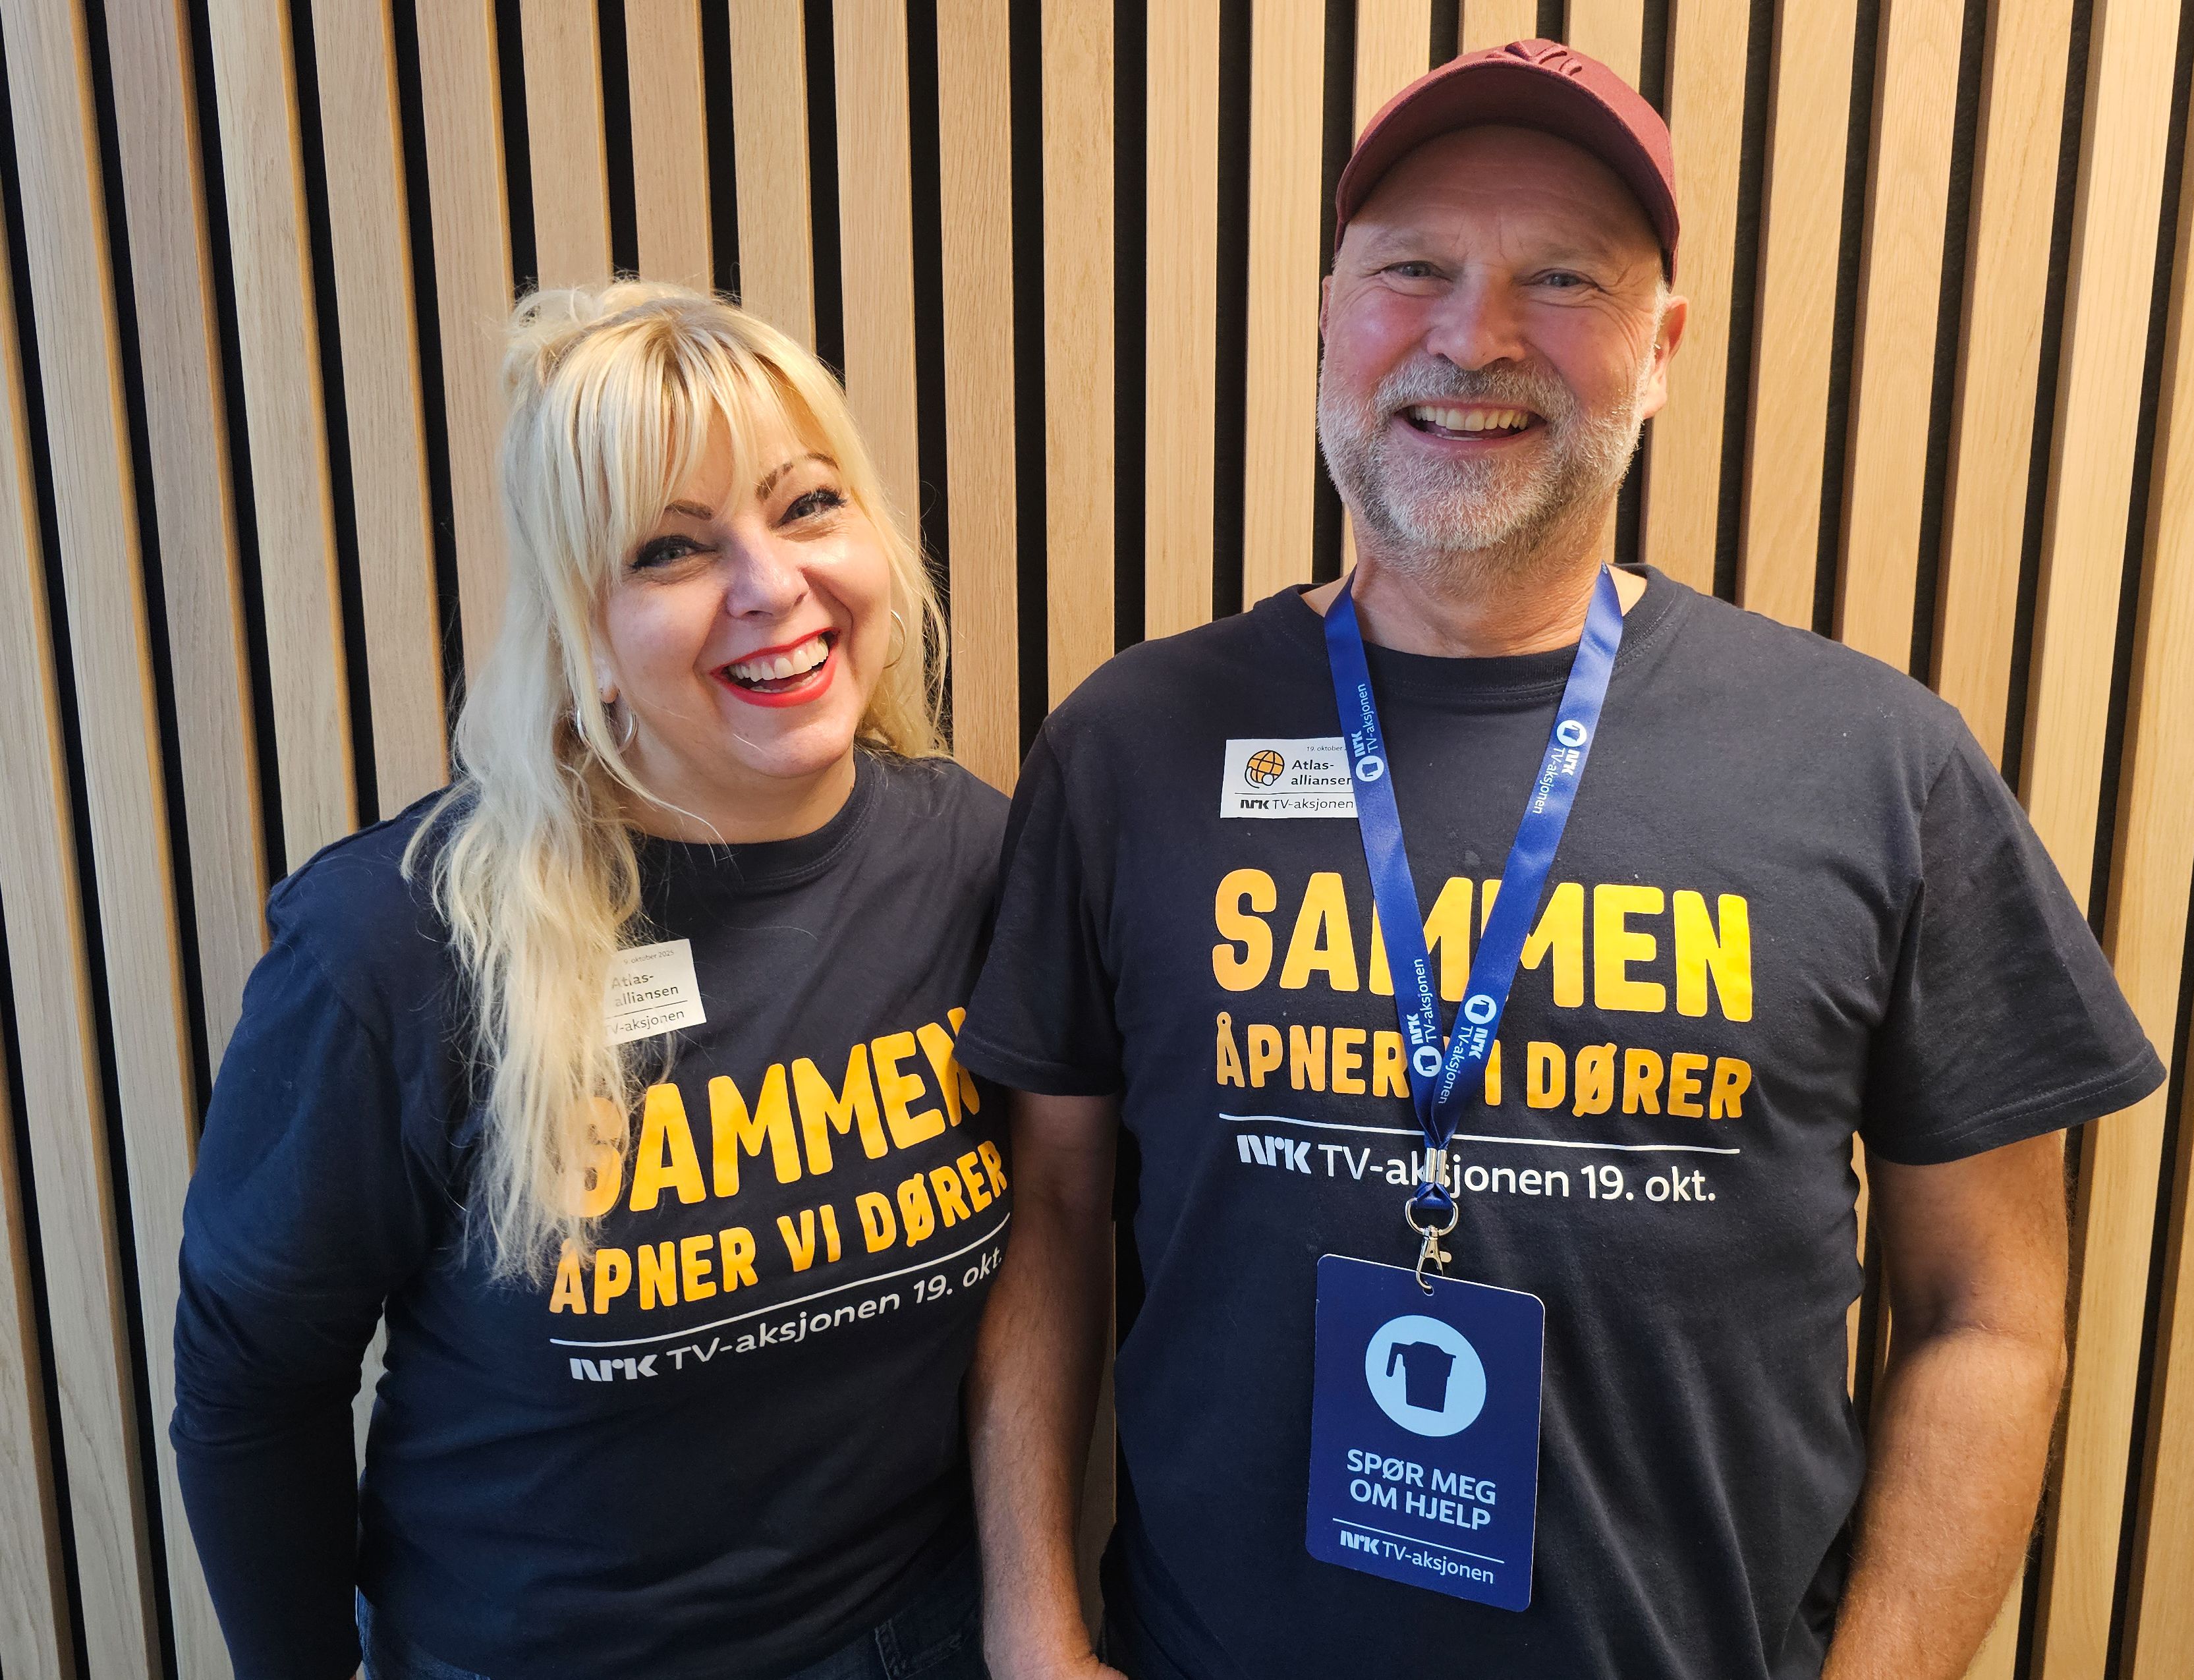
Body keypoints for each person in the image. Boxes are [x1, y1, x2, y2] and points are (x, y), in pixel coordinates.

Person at [957, 40, 2161, 1680]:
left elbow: (1991, 1309)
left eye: (1564, 278)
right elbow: (1052, 1213)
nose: (1475, 336)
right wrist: (1035, 1638)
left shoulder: (1876, 760)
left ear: (1661, 350)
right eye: (1413, 270)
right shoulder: (1130, 743)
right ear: (1328, 318)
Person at [173, 283, 1007, 1680]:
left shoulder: (974, 855)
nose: (769, 586)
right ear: (584, 632)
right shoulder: (397, 945)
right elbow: (253, 1389)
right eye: (671, 548)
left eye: (807, 506)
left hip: (918, 1638)